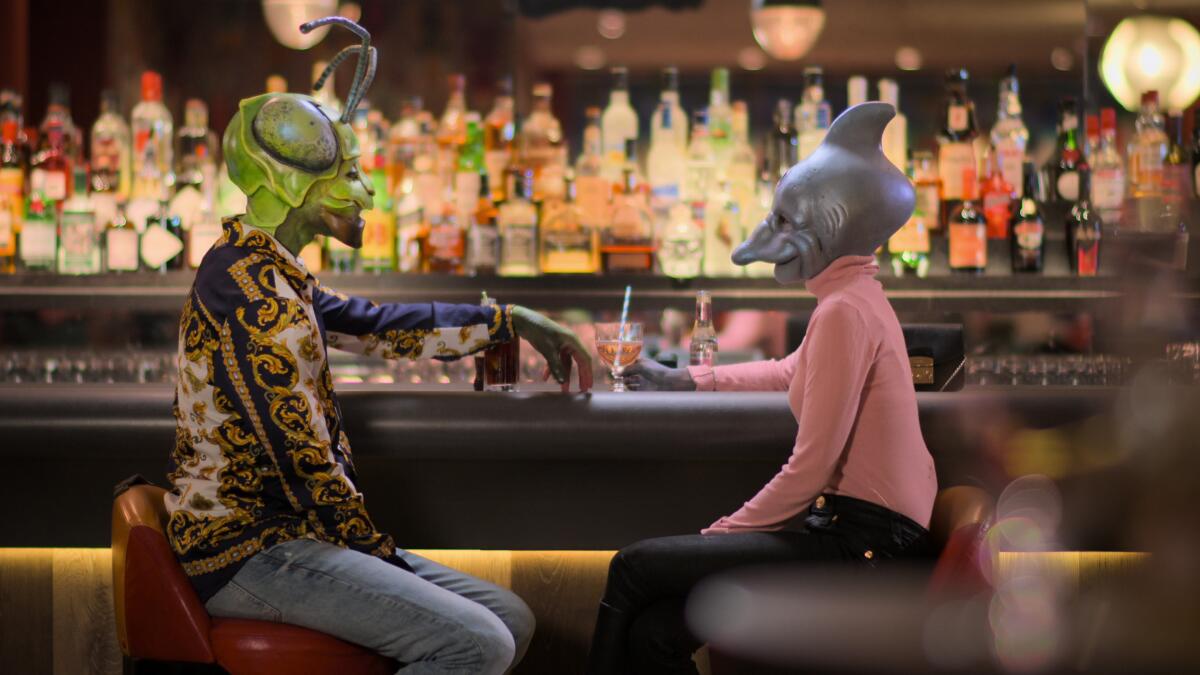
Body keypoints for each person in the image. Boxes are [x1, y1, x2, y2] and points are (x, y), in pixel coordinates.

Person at [165, 17, 590, 675]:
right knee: (479, 642)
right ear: (291, 186)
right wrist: (379, 555)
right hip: (249, 552)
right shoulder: (251, 291)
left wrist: (512, 320)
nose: (370, 192)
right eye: (351, 176)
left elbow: (381, 323)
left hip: (295, 540)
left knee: (512, 618)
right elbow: (305, 461)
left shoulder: (270, 271)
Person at [586, 102, 937, 675]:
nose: (764, 242)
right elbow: (789, 371)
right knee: (655, 633)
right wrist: (687, 378)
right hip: (859, 533)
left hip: (865, 546)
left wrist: (721, 536)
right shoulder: (849, 300)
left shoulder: (845, 310)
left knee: (632, 566)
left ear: (830, 227)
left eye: (784, 223)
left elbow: (811, 465)